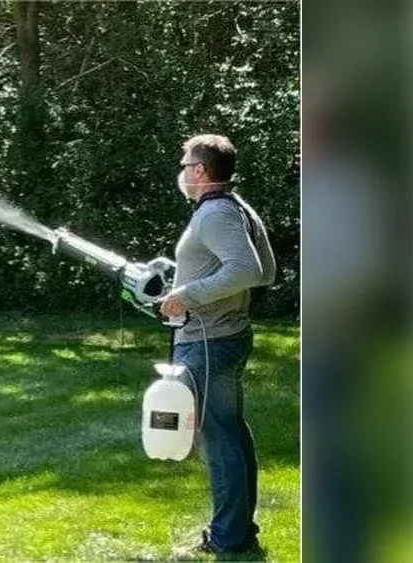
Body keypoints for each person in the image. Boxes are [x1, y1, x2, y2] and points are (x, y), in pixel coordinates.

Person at [158, 134, 277, 554]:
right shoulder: (236, 207)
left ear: (201, 171)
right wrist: (188, 278)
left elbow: (247, 270)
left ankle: (228, 537)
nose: (182, 170)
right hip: (226, 334)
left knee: (218, 439)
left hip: (208, 340)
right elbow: (266, 271)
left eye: (185, 163)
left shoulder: (214, 214)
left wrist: (186, 295)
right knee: (231, 434)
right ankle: (239, 530)